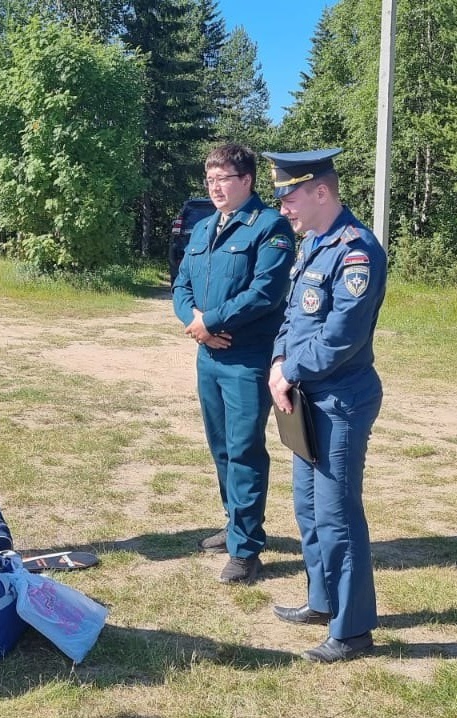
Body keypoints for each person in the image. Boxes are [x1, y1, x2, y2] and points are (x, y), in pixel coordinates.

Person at [263, 148, 387, 663]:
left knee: (338, 516)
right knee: (308, 509)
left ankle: (353, 630)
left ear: (321, 192)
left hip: (340, 400)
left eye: (288, 196)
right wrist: (277, 363)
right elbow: (294, 318)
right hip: (306, 397)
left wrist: (289, 370)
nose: (283, 206)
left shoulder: (356, 251)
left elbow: (341, 337)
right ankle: (323, 601)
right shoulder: (314, 244)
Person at [172, 143, 295, 584]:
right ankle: (233, 524)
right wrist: (196, 323)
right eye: (209, 179)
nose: (215, 186)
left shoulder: (270, 227)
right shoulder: (204, 227)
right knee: (220, 447)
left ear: (246, 181)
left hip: (247, 359)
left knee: (244, 451)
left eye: (223, 178)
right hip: (208, 355)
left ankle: (246, 549)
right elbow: (181, 284)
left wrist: (213, 321)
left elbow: (266, 291)